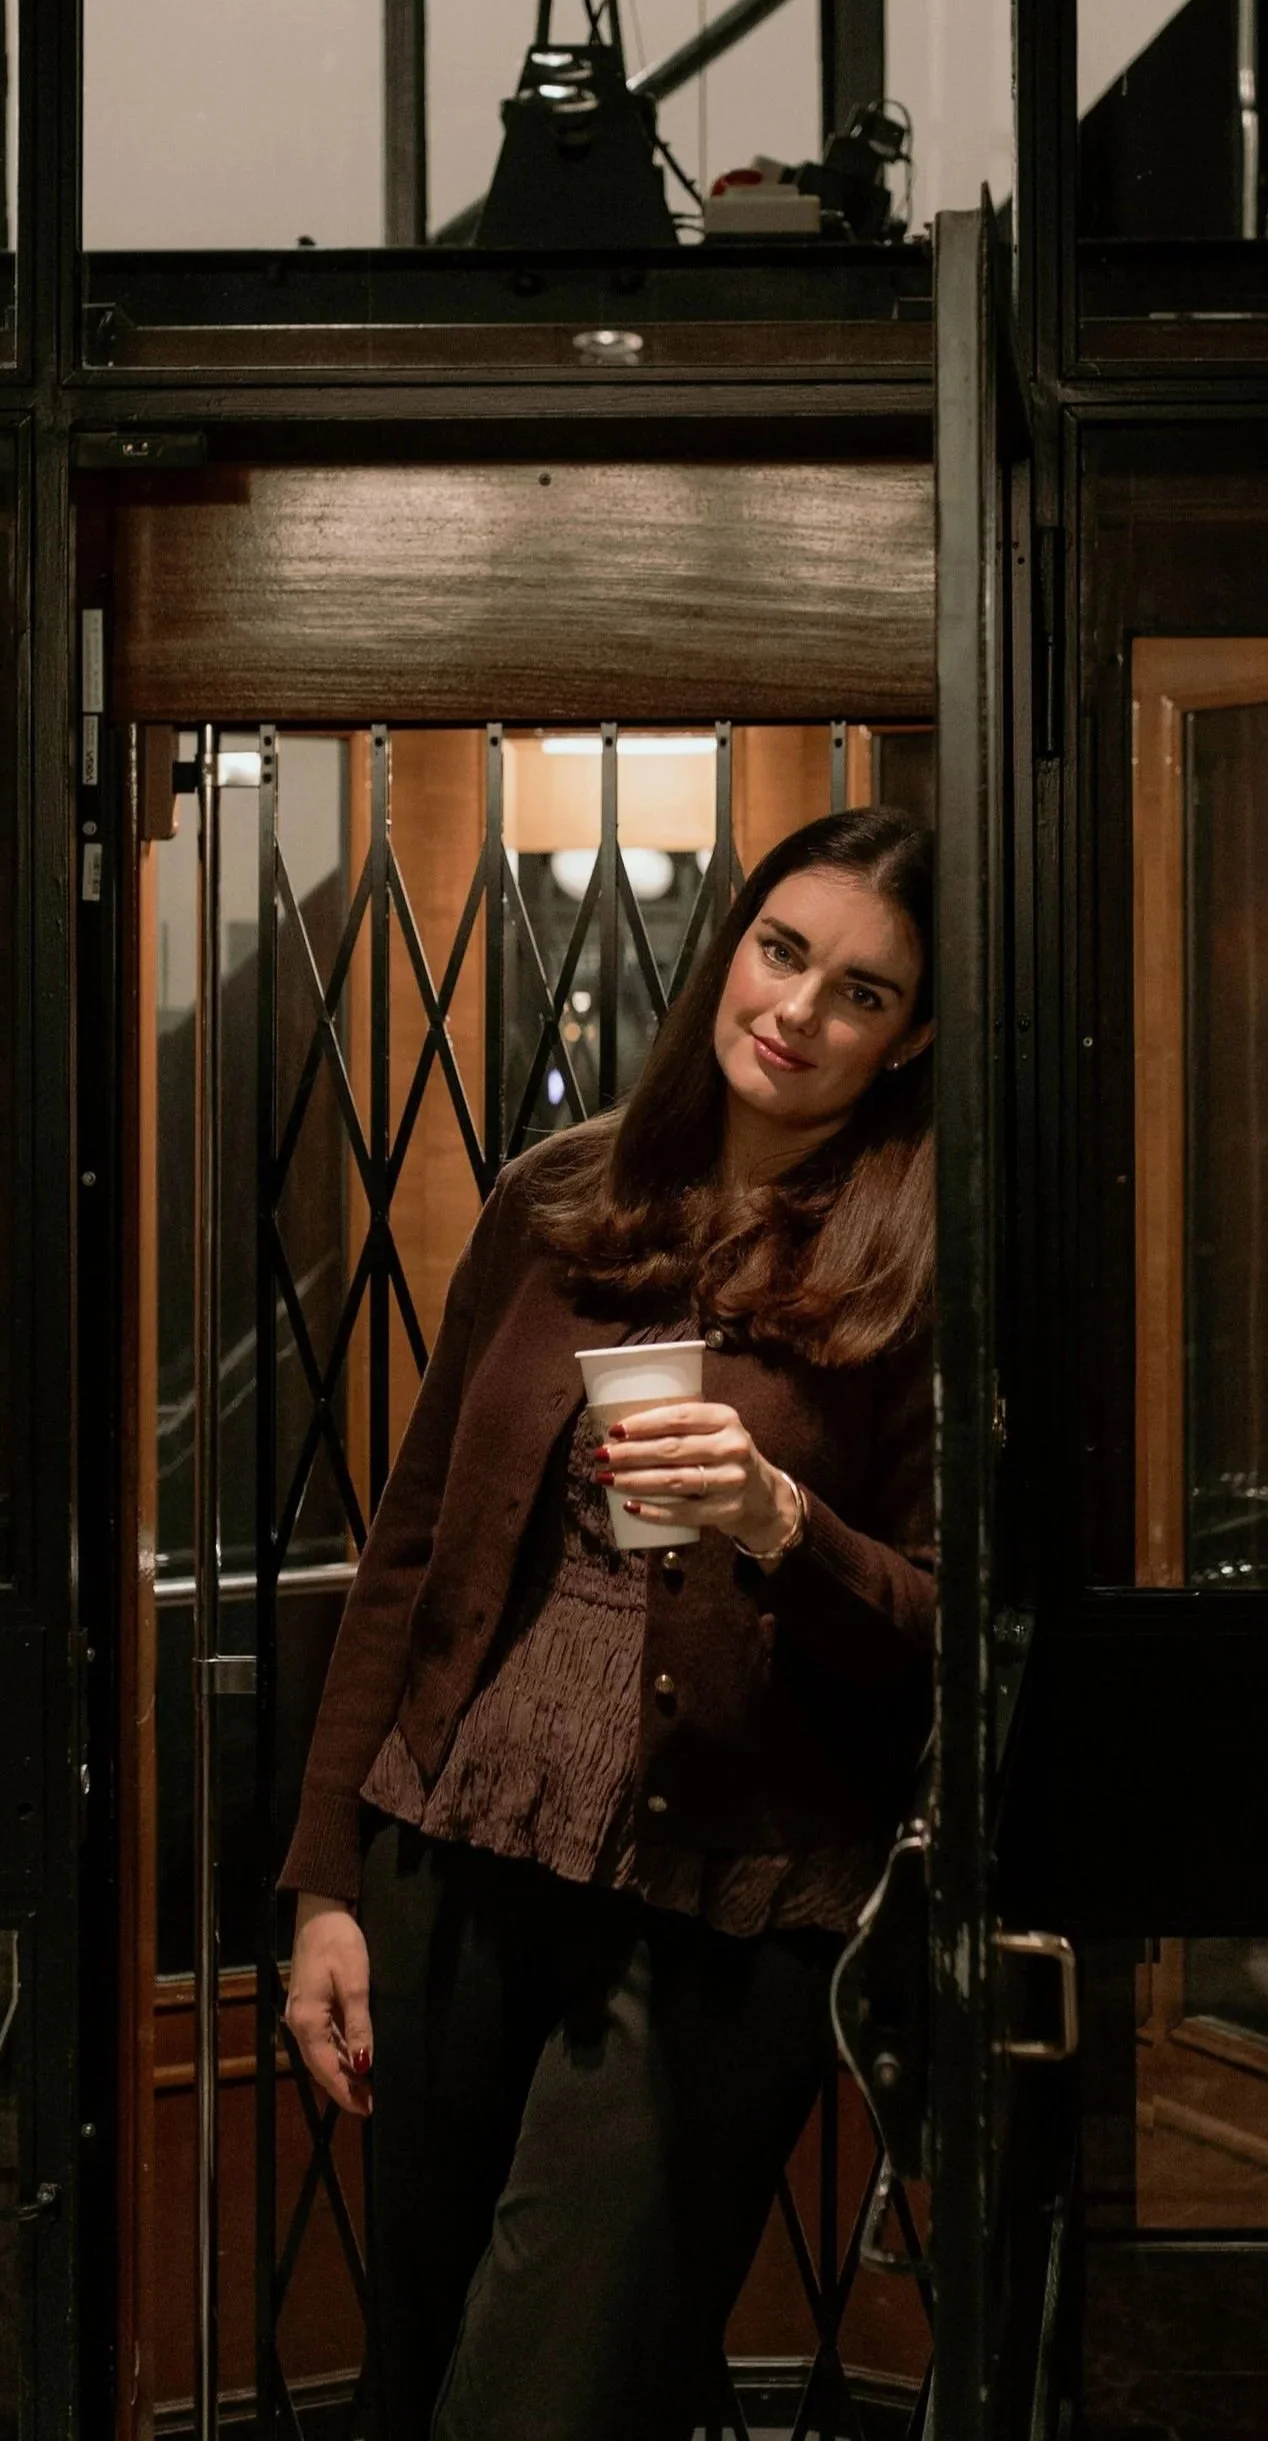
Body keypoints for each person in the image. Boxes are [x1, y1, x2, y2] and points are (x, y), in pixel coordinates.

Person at [279, 804, 937, 2441]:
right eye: (781, 952)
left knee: (539, 2397)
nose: (795, 1011)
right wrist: (324, 1889)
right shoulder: (556, 1198)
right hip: (457, 1854)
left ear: (908, 1035)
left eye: (859, 991)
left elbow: (957, 1633)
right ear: (729, 952)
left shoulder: (922, 1266)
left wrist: (783, 1523)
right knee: (420, 2373)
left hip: (719, 1902)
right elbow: (412, 1553)